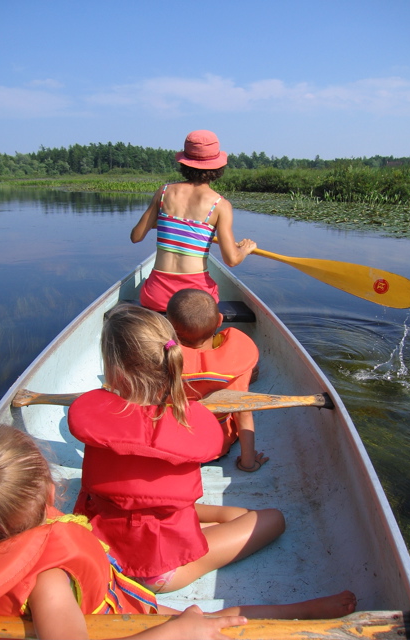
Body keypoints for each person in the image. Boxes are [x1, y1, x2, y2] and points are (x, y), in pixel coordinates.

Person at [68, 304, 356, 620]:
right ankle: (299, 609)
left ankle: (215, 518)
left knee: (221, 514)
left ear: (113, 371)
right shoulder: (190, 425)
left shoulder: (96, 421)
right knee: (272, 519)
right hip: (158, 570)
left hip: (102, 553)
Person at [0, 424, 249, 639]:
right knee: (208, 623)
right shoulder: (50, 581)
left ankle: (296, 610)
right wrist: (176, 633)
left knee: (208, 619)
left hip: (124, 600)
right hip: (117, 624)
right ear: (51, 490)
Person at [130, 130, 256, 312]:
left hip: (155, 295)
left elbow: (136, 236)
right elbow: (232, 259)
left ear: (184, 163)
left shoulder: (164, 192)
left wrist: (157, 224)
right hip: (195, 300)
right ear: (217, 167)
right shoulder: (220, 205)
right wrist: (244, 249)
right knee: (208, 302)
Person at [167, 288, 267, 472]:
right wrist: (249, 463)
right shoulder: (235, 363)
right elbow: (243, 414)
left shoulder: (161, 359)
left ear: (170, 328)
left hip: (170, 445)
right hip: (215, 446)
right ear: (220, 320)